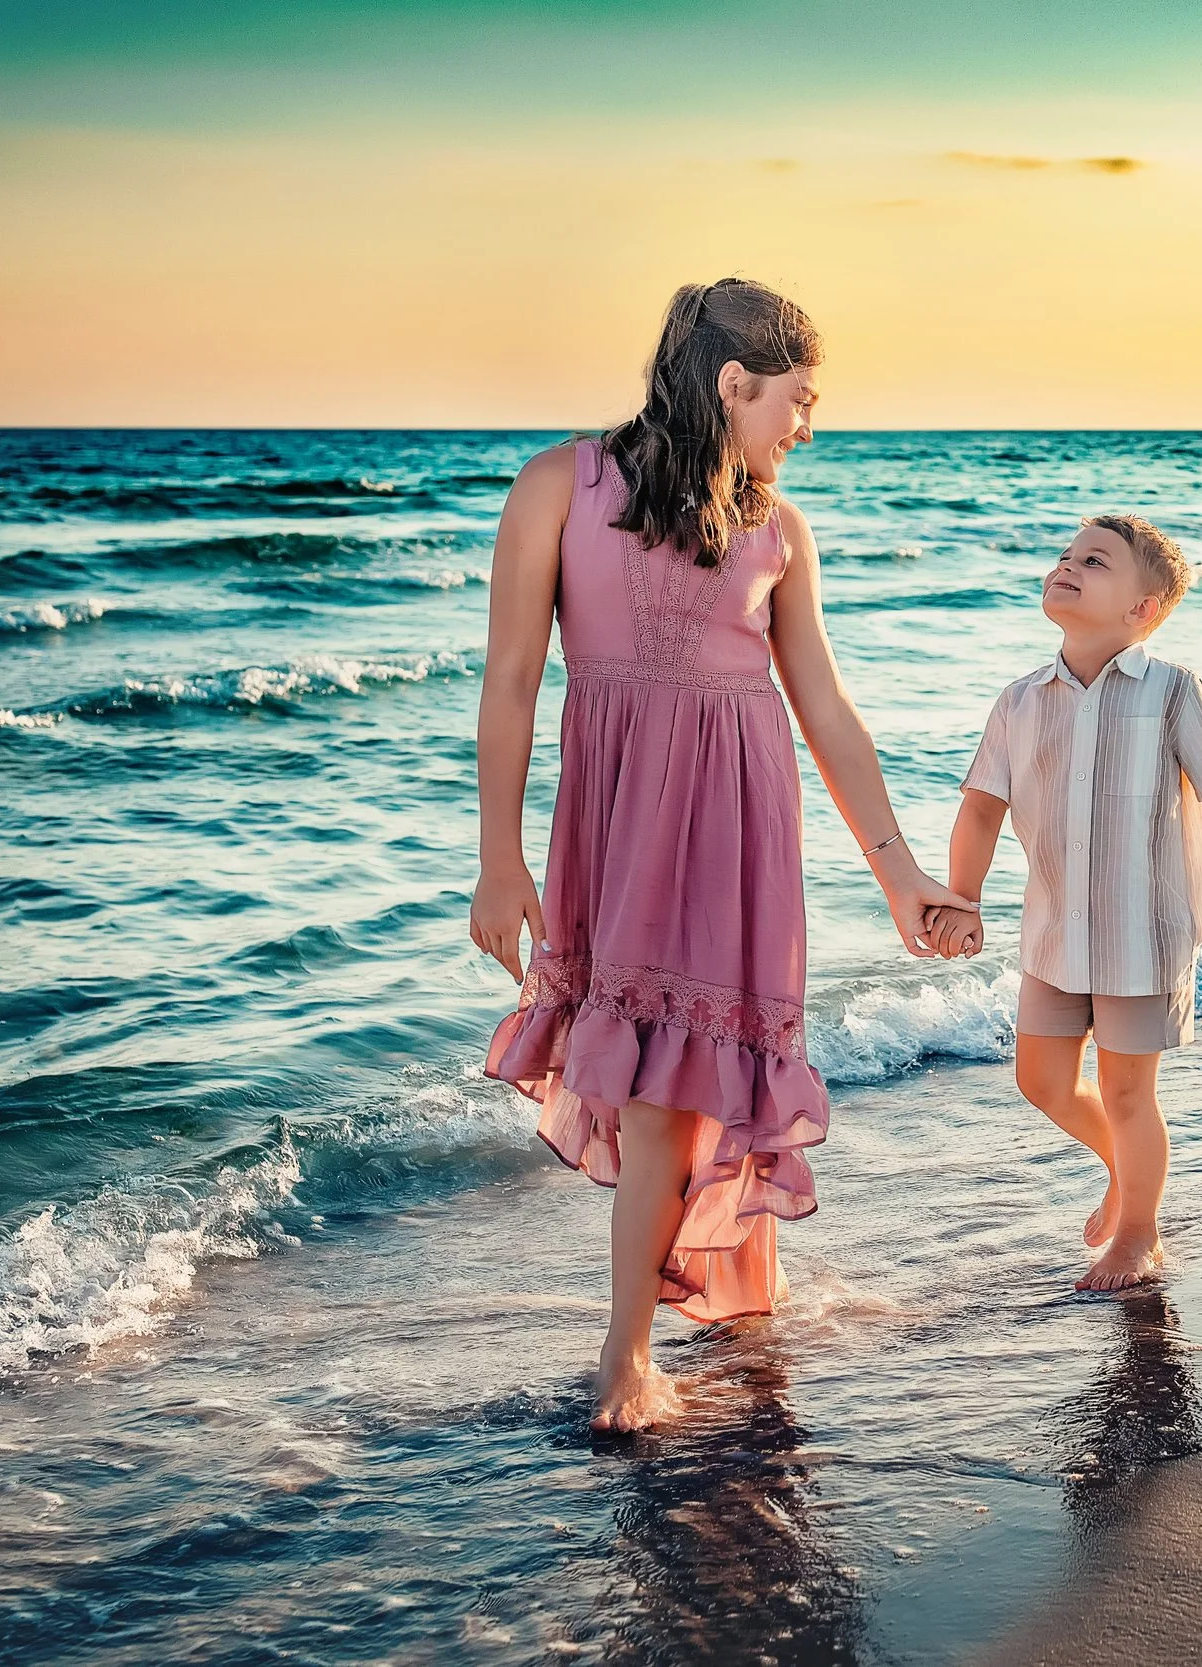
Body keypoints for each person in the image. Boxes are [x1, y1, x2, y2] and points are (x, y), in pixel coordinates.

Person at [468, 279, 974, 1431]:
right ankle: (630, 1351)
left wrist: (902, 873)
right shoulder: (559, 485)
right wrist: (499, 859)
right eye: (798, 401)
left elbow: (827, 711)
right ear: (732, 384)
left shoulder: (778, 529)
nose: (808, 426)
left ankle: (697, 1309)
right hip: (623, 820)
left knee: (691, 1080)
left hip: (741, 827)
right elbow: (510, 681)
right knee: (655, 1086)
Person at [928, 516, 1202, 1290]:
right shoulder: (1020, 702)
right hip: (1055, 932)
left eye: (1094, 561)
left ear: (1143, 610)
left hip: (1143, 933)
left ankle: (1139, 1233)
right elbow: (983, 807)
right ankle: (1122, 1169)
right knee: (1042, 1080)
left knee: (1129, 1090)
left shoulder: (1171, 691)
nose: (1069, 565)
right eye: (1066, 555)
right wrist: (962, 896)